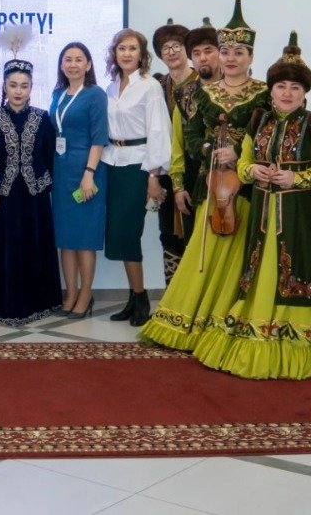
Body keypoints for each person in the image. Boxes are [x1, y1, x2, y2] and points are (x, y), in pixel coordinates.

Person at [196, 33, 311, 380]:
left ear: (304, 93)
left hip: (298, 218)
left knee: (294, 276)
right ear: (271, 89)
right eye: (281, 86)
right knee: (258, 273)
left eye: (294, 88)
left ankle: (291, 351)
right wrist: (252, 170)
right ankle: (253, 339)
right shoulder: (259, 121)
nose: (287, 93)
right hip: (260, 214)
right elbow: (243, 163)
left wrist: (297, 180)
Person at [141, 0, 268, 352]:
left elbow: (270, 137)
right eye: (225, 51)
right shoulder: (200, 94)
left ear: (251, 58)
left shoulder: (265, 96)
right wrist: (212, 151)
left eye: (237, 52)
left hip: (248, 188)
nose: (229, 58)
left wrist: (241, 149)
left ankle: (230, 321)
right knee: (202, 253)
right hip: (208, 185)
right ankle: (196, 318)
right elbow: (189, 137)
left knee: (242, 256)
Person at [0, 58, 61, 325]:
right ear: (4, 87)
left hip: (34, 197)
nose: (18, 91)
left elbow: (49, 155)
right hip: (2, 195)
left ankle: (37, 303)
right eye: (13, 85)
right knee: (2, 249)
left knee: (33, 247)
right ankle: (0, 304)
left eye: (24, 86)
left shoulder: (42, 118)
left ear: (31, 87)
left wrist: (45, 185)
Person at [102, 28, 171, 327]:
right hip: (111, 162)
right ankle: (133, 296)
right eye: (121, 48)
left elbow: (158, 130)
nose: (126, 53)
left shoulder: (149, 87)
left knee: (129, 232)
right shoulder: (110, 87)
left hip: (137, 165)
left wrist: (154, 175)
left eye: (132, 49)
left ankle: (142, 298)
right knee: (117, 233)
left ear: (142, 55)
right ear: (114, 54)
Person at [49, 42, 109, 318]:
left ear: (88, 64)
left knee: (84, 238)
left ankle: (85, 296)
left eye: (78, 59)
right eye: (67, 59)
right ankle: (70, 293)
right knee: (66, 238)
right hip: (61, 173)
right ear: (61, 65)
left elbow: (99, 138)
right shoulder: (57, 93)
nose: (73, 64)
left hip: (86, 171)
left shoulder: (95, 94)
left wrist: (89, 174)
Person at [152, 19, 199, 284]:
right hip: (167, 168)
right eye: (165, 48)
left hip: (197, 168)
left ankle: (196, 296)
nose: (171, 52)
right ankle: (173, 293)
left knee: (196, 231)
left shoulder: (202, 83)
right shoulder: (158, 86)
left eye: (177, 46)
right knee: (168, 231)